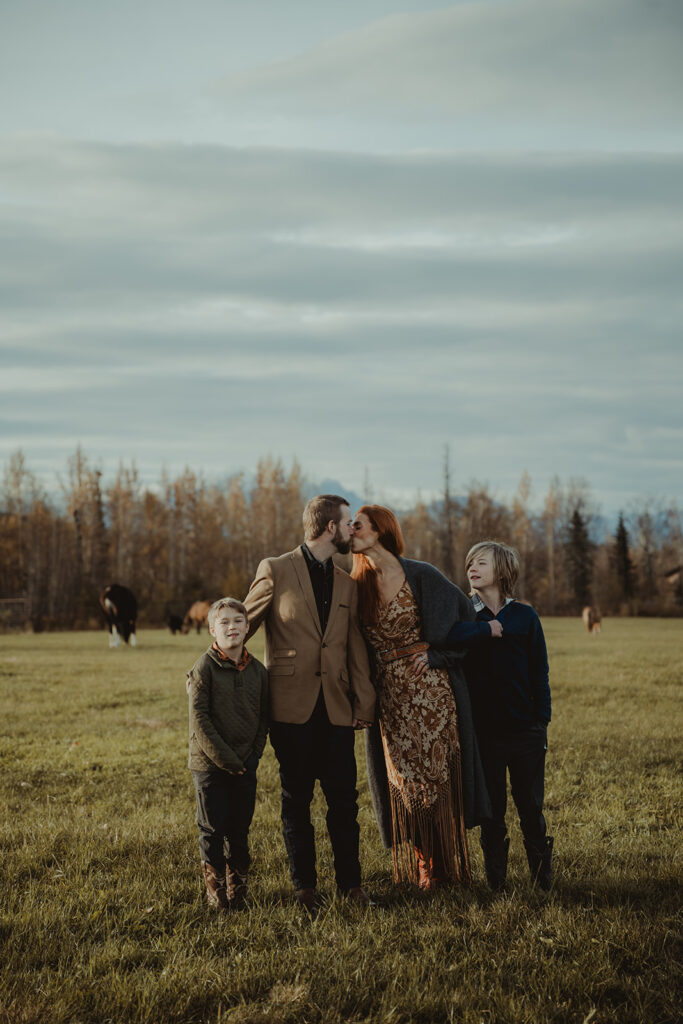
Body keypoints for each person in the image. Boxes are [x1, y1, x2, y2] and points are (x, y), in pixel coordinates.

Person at [243, 494, 376, 913]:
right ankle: (304, 890)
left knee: (344, 802)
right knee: (295, 800)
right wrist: (218, 662)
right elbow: (242, 623)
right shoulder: (276, 569)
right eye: (347, 523)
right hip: (290, 707)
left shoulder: (346, 582)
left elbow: (354, 644)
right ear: (329, 528)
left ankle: (352, 887)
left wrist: (364, 701)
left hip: (337, 707)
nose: (352, 530)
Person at [350, 505, 491, 891]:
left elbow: (467, 624)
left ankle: (449, 864)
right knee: (404, 781)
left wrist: (438, 656)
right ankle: (425, 862)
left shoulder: (423, 575)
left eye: (357, 525)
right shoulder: (355, 583)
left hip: (432, 694)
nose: (350, 531)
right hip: (389, 700)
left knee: (439, 775)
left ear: (378, 530)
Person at [437, 541, 553, 891]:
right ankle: (497, 882)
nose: (472, 568)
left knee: (530, 807)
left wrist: (541, 721)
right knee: (492, 811)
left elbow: (540, 672)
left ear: (502, 571)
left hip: (525, 732)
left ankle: (541, 877)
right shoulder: (465, 614)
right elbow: (446, 636)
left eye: (481, 563)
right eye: (470, 562)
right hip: (482, 735)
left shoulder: (525, 617)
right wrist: (483, 629)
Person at [187, 597, 269, 911]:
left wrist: (254, 754)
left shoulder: (258, 672)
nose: (231, 627)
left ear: (248, 627)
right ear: (212, 630)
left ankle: (239, 893)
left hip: (246, 764)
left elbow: (264, 717)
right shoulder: (204, 668)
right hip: (209, 765)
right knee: (212, 829)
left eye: (238, 621)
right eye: (224, 622)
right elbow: (200, 720)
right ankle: (217, 895)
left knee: (239, 829)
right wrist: (227, 760)